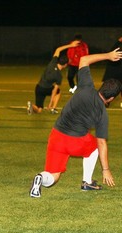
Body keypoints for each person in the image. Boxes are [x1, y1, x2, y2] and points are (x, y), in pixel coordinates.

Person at [30, 48, 122, 198]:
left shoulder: (85, 86)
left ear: (102, 86)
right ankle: (87, 182)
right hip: (75, 141)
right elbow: (102, 143)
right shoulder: (102, 113)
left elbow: (84, 59)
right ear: (111, 99)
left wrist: (108, 56)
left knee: (53, 176)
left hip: (56, 135)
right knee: (94, 147)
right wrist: (106, 169)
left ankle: (41, 177)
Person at [28, 40, 80, 115]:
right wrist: (50, 103)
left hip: (39, 88)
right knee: (58, 92)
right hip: (47, 89)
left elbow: (58, 49)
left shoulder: (52, 63)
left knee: (39, 109)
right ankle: (53, 108)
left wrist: (70, 45)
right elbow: (54, 91)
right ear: (65, 65)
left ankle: (32, 106)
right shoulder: (59, 76)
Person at [102, 37, 122, 106]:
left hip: (117, 73)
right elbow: (111, 52)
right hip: (112, 73)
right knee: (108, 88)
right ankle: (105, 102)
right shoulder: (115, 51)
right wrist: (118, 42)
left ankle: (105, 102)